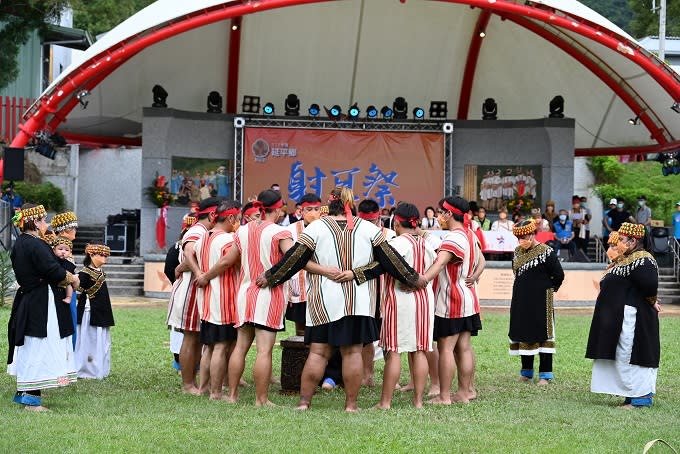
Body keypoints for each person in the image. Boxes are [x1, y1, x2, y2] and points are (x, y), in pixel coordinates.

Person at [257, 186, 425, 412]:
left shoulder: (316, 227)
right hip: (357, 302)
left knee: (317, 352)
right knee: (352, 352)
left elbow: (294, 259)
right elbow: (390, 260)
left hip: (322, 301)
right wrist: (413, 278)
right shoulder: (368, 229)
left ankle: (304, 402)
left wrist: (270, 276)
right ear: (351, 202)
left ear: (330, 203)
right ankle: (351, 406)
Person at [196, 189, 295, 406]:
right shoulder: (280, 232)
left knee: (240, 346)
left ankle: (232, 395)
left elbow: (227, 261)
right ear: (277, 209)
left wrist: (204, 276)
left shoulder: (241, 231)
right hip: (269, 295)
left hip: (244, 293)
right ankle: (261, 399)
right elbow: (292, 258)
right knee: (264, 350)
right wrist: (272, 275)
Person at [7, 204, 79, 411]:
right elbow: (52, 269)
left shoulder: (20, 243)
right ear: (35, 222)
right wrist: (72, 279)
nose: (46, 224)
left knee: (30, 343)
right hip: (40, 300)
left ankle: (25, 393)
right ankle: (31, 399)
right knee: (38, 343)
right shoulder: (35, 245)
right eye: (44, 220)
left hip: (29, 297)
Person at [586, 223, 661, 408]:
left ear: (633, 241)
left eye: (621, 239)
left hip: (633, 317)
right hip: (620, 316)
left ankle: (641, 397)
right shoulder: (625, 259)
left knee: (632, 354)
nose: (618, 243)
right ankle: (630, 394)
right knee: (622, 355)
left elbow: (649, 285)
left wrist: (652, 300)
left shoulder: (643, 259)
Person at [421, 196, 486, 404]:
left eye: (441, 212)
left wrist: (420, 280)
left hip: (451, 302)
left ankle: (444, 396)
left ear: (449, 214)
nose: (439, 216)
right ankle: (466, 391)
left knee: (446, 348)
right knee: (464, 347)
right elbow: (482, 260)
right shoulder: (469, 234)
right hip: (468, 299)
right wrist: (474, 276)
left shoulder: (453, 238)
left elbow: (439, 264)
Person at [375, 203, 436, 409]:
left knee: (394, 351)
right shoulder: (427, 244)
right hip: (424, 300)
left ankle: (386, 402)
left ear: (397, 222)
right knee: (419, 350)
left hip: (399, 299)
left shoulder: (396, 244)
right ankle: (418, 401)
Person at [167, 197, 221, 394]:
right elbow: (190, 251)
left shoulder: (204, 231)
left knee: (197, 337)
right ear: (213, 214)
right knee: (190, 336)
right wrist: (196, 271)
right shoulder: (197, 230)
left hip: (196, 285)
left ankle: (194, 382)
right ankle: (188, 384)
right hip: (191, 288)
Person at [194, 200, 241, 400]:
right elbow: (226, 263)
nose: (239, 222)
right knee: (221, 346)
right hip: (224, 299)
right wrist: (206, 276)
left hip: (206, 301)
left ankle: (203, 388)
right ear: (230, 218)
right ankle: (216, 392)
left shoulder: (202, 238)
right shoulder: (228, 240)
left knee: (210, 347)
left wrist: (203, 276)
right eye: (238, 219)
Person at [508, 220, 564, 384]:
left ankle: (545, 374)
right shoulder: (517, 252)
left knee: (543, 333)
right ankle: (526, 372)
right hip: (521, 300)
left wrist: (548, 289)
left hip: (541, 300)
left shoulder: (546, 252)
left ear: (532, 235)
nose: (521, 241)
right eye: (518, 238)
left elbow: (559, 275)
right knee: (523, 331)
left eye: (524, 237)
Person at [357, 198, 397, 387]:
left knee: (389, 335)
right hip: (365, 292)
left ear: (379, 218)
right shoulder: (354, 234)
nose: (369, 226)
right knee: (366, 337)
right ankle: (367, 375)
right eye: (366, 222)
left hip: (387, 292)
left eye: (372, 222)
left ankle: (391, 377)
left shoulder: (390, 235)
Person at [285, 193, 322, 336]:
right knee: (301, 330)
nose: (313, 213)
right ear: (301, 211)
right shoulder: (290, 230)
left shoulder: (326, 228)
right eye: (309, 209)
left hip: (320, 286)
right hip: (299, 287)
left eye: (317, 209)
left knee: (319, 330)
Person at [75, 244, 114, 379]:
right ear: (91, 255)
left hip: (102, 310)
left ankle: (100, 367)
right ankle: (86, 369)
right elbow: (77, 291)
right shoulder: (84, 273)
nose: (104, 258)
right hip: (88, 311)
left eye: (105, 256)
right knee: (88, 338)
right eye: (101, 255)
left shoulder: (101, 272)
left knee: (101, 340)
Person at [51, 236, 75, 304]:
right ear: (54, 249)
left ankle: (69, 297)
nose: (63, 252)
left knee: (69, 284)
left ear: (70, 252)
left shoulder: (69, 264)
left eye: (67, 250)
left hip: (64, 285)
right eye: (60, 249)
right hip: (53, 285)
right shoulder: (51, 261)